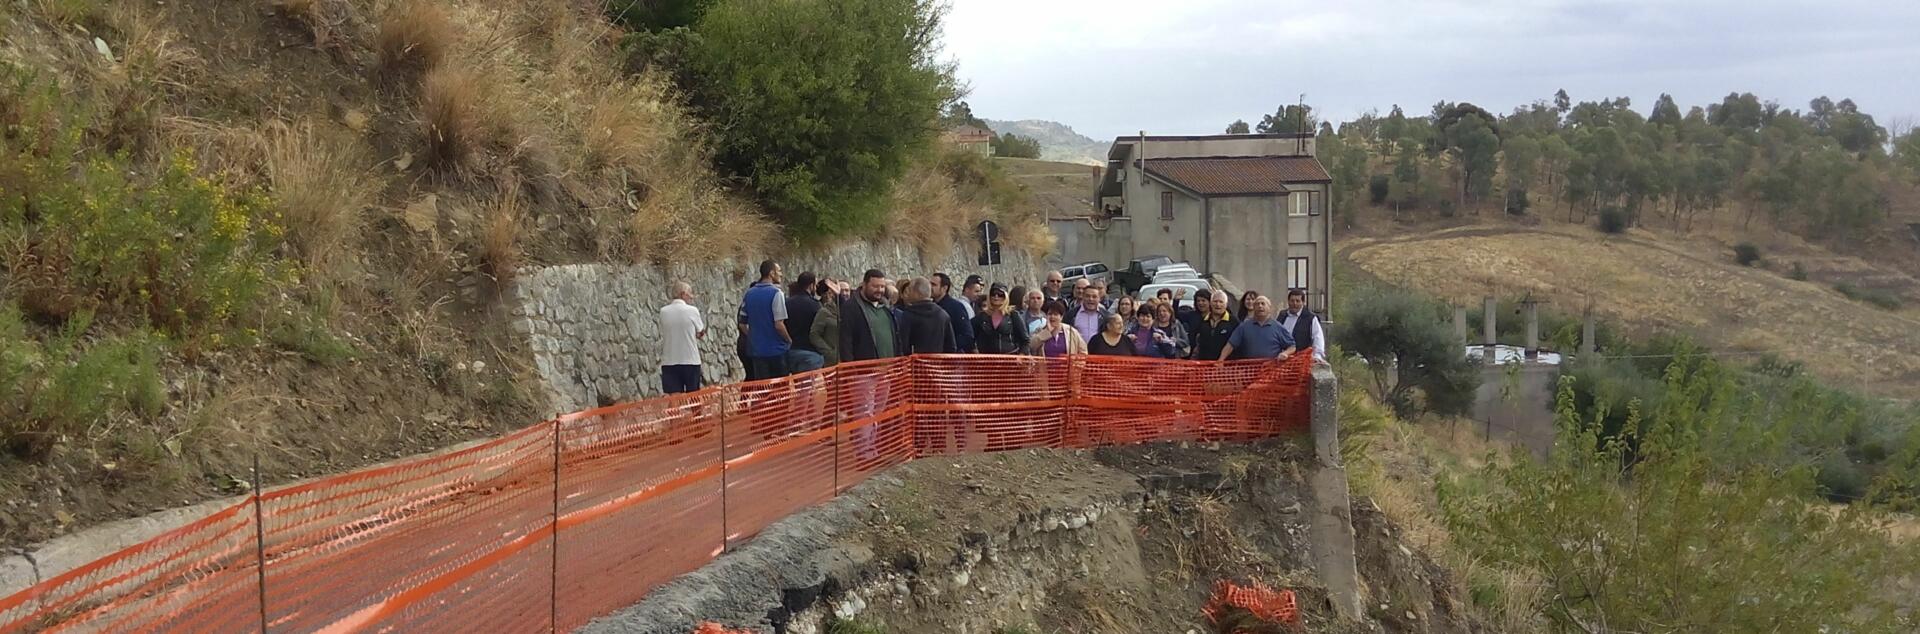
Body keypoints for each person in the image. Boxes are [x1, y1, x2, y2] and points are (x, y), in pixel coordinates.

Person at [740, 260, 792, 380]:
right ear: (771, 273)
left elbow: (742, 324)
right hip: (776, 350)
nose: (781, 274)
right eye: (778, 271)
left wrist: (753, 337)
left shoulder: (749, 294)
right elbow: (779, 324)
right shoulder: (776, 293)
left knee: (763, 390)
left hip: (757, 351)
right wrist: (788, 340)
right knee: (780, 391)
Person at [839, 269, 904, 363]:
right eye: (875, 286)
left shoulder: (886, 308)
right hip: (865, 371)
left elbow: (897, 339)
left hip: (890, 371)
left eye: (882, 286)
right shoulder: (851, 308)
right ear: (864, 285)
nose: (879, 290)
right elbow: (846, 342)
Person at [658, 281, 707, 394]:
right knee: (693, 396)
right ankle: (696, 413)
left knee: (674, 397)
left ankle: (675, 412)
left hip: (669, 360)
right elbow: (701, 331)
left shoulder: (663, 311)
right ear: (683, 294)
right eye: (690, 293)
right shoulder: (692, 311)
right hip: (690, 359)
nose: (692, 296)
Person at [1219, 296, 1295, 361]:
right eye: (1257, 304)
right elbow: (1230, 345)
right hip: (1250, 371)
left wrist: (1285, 353)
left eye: (1263, 304)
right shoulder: (1244, 327)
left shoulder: (1278, 327)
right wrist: (1221, 360)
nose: (1260, 306)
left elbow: (1292, 346)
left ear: (1270, 308)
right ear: (1254, 308)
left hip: (1271, 372)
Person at [901, 277, 957, 354]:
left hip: (915, 364)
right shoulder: (943, 315)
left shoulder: (908, 315)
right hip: (937, 363)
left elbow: (903, 346)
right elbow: (951, 347)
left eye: (909, 291)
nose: (907, 294)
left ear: (916, 293)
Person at [973, 283, 1030, 355]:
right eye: (993, 294)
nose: (996, 296)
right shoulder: (981, 316)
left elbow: (1025, 340)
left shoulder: (1013, 315)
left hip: (1010, 359)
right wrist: (975, 352)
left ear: (1005, 297)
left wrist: (1021, 357)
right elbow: (970, 336)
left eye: (1000, 294)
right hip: (987, 361)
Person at [785, 271, 825, 373]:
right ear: (811, 286)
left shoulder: (787, 303)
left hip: (791, 351)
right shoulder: (815, 305)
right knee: (807, 388)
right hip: (810, 352)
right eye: (815, 285)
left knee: (797, 385)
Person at [932, 273, 976, 353]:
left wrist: (951, 346)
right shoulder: (931, 307)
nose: (930, 287)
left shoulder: (956, 307)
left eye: (933, 285)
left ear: (944, 288)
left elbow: (967, 335)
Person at [1280, 289, 1327, 363]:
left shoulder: (1310, 318)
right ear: (1288, 301)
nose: (1294, 303)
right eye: (1292, 301)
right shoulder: (1282, 315)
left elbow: (1318, 337)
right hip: (1283, 360)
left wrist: (1317, 356)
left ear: (1303, 302)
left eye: (1297, 301)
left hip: (1302, 361)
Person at [1191, 291, 1238, 361]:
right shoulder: (1203, 321)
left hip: (1226, 365)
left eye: (1221, 302)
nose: (1218, 304)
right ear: (1210, 303)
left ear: (1226, 304)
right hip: (1205, 364)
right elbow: (1198, 343)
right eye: (1215, 301)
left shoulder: (1233, 322)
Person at [810, 279, 844, 367]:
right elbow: (814, 334)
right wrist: (829, 352)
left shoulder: (850, 311)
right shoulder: (824, 312)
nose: (844, 293)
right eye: (842, 291)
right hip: (832, 361)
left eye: (847, 290)